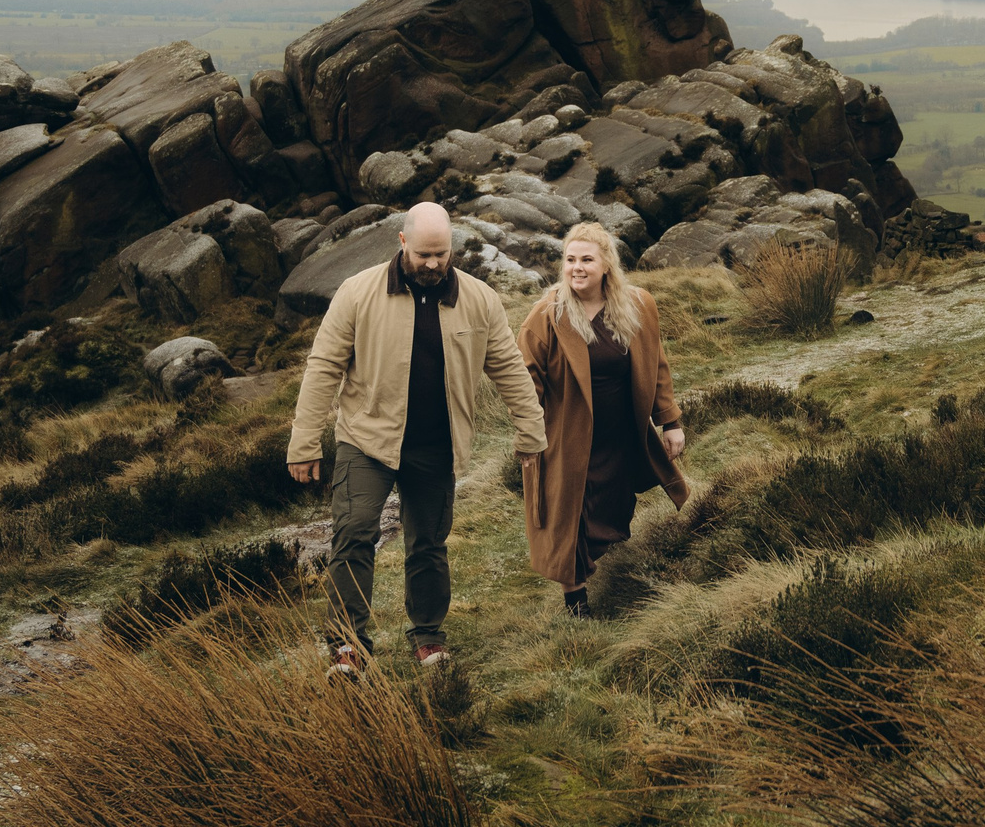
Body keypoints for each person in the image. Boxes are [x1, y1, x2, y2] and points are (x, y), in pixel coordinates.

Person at [287, 202, 546, 675]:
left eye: (441, 254)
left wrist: (531, 432)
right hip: (366, 442)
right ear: (402, 243)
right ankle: (348, 647)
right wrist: (304, 443)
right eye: (424, 253)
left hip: (436, 446)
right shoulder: (357, 292)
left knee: (427, 544)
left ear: (452, 248)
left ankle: (428, 638)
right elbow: (323, 367)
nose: (432, 264)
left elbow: (508, 367)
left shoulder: (480, 299)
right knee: (353, 534)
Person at [517, 221, 689, 617]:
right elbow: (523, 379)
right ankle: (576, 601)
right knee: (569, 516)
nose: (576, 268)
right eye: (570, 259)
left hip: (621, 434)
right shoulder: (547, 315)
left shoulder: (638, 304)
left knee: (613, 508)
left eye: (587, 259)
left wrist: (670, 421)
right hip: (566, 436)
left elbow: (656, 364)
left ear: (606, 264)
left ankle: (609, 573)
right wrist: (529, 434)